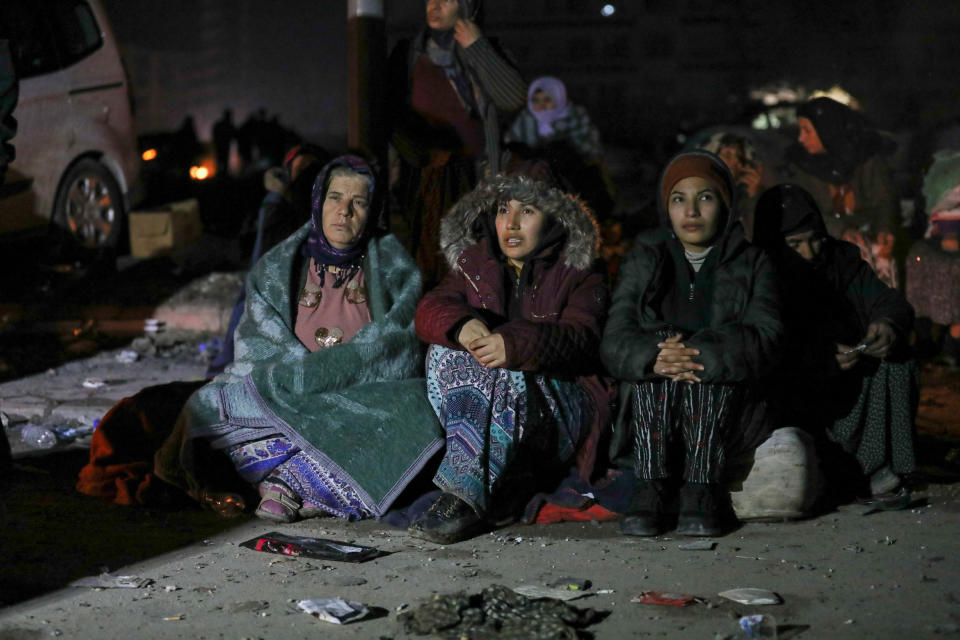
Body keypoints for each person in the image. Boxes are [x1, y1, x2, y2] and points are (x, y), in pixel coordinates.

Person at [81, 156, 443, 522]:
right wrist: (299, 379)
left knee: (414, 414)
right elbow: (257, 343)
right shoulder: (277, 267)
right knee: (206, 407)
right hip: (284, 391)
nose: (344, 211)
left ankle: (286, 481)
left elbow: (398, 344)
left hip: (361, 393)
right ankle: (321, 483)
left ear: (374, 209)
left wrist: (331, 373)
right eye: (335, 198)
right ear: (318, 202)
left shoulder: (395, 267)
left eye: (359, 202)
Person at [410, 172, 611, 543]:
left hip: (562, 412)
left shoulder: (580, 270)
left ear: (554, 218)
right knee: (447, 351)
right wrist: (462, 325)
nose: (511, 224)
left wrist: (514, 344)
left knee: (501, 369)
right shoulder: (476, 262)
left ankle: (461, 497)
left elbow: (583, 337)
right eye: (504, 210)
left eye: (528, 211)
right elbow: (431, 308)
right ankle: (474, 486)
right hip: (489, 406)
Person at [600, 151, 781, 537]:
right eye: (679, 198)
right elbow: (615, 339)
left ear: (726, 205)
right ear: (667, 207)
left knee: (704, 357)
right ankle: (651, 486)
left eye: (706, 197)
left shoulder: (752, 262)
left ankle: (702, 489)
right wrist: (656, 356)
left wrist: (702, 353)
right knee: (659, 351)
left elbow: (767, 336)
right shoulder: (646, 258)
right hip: (653, 417)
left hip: (730, 417)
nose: (692, 211)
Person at [753, 183, 917, 506]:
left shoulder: (841, 260)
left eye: (815, 239)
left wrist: (885, 324)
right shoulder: (759, 273)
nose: (810, 252)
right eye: (795, 244)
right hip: (794, 405)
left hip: (848, 396)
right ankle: (830, 473)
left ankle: (882, 467)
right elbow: (760, 348)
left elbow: (887, 300)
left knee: (899, 357)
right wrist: (818, 359)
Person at [389, 0, 526, 287]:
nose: (434, 5)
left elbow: (512, 98)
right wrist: (419, 153)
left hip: (478, 178)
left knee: (475, 266)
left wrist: (477, 46)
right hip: (424, 181)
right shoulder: (408, 54)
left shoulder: (488, 47)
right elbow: (389, 117)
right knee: (427, 266)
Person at [205, 142, 329, 378]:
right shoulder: (277, 203)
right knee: (255, 292)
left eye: (308, 168)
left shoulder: (321, 198)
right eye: (298, 167)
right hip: (281, 256)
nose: (304, 174)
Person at [784, 97, 900, 288]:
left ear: (829, 131)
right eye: (800, 130)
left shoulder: (865, 160)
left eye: (807, 131)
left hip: (867, 241)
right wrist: (840, 230)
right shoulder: (800, 165)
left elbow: (884, 200)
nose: (800, 138)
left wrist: (885, 228)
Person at [505, 76, 614, 219]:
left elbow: (588, 148)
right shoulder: (525, 120)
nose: (541, 105)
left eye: (547, 100)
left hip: (571, 175)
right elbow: (513, 146)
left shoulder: (574, 116)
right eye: (536, 100)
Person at [906, 150, 960, 366]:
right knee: (921, 263)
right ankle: (926, 337)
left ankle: (953, 339)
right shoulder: (941, 176)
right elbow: (926, 218)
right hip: (934, 248)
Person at [699, 132, 768, 241]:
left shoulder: (743, 197)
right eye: (728, 155)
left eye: (739, 157)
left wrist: (755, 197)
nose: (737, 162)